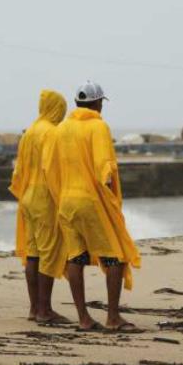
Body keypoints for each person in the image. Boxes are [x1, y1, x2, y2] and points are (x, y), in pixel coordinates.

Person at [44, 81, 141, 331]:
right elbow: (105, 168)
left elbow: (50, 167)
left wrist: (60, 196)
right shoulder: (98, 126)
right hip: (92, 200)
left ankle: (84, 318)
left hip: (67, 200)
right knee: (115, 257)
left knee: (76, 257)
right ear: (97, 103)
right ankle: (113, 317)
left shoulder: (62, 128)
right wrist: (110, 202)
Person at [9, 90, 69, 323]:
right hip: (45, 198)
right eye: (61, 108)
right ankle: (45, 309)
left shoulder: (30, 131)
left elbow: (19, 169)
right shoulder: (51, 132)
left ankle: (34, 308)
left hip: (28, 196)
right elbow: (53, 168)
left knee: (32, 254)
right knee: (48, 253)